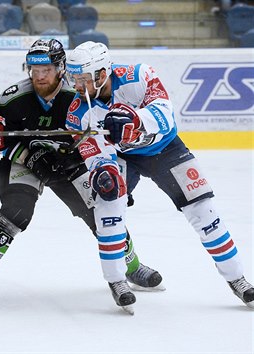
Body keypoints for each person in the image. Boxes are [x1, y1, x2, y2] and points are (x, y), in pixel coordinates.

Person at [0, 39, 163, 313]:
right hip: (25, 161)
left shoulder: (81, 95)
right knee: (15, 212)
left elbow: (104, 140)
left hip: (69, 162)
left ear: (61, 68)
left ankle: (131, 267)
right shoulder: (13, 97)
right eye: (34, 70)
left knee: (102, 212)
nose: (39, 76)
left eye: (47, 70)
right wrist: (30, 156)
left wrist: (115, 176)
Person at [64, 41, 254, 309]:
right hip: (122, 157)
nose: (77, 85)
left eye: (82, 78)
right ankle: (117, 279)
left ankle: (238, 279)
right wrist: (103, 171)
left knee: (204, 211)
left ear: (101, 73)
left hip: (166, 149)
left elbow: (165, 115)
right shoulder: (77, 112)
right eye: (74, 78)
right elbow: (94, 150)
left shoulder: (139, 75)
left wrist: (135, 120)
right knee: (107, 206)